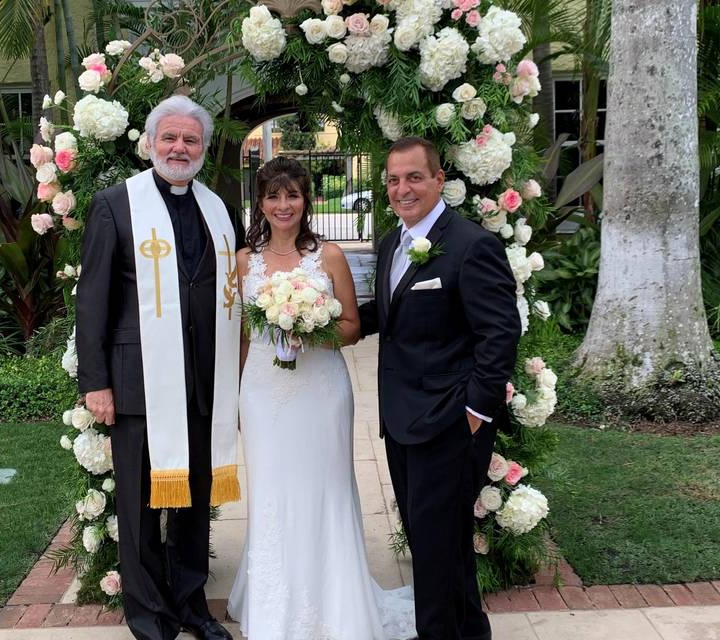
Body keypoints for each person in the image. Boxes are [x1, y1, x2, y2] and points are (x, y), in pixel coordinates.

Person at [76, 95, 245, 640]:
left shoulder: (219, 208)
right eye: (169, 138)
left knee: (194, 505)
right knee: (139, 509)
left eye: (190, 140)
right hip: (137, 383)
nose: (179, 148)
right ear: (149, 144)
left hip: (203, 382)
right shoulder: (114, 205)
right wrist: (95, 381)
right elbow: (92, 299)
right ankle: (150, 618)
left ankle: (192, 605)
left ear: (202, 148)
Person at [227, 157, 415, 639]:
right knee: (272, 492)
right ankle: (276, 606)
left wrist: (311, 328)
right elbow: (243, 336)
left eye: (292, 195)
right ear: (260, 202)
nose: (282, 205)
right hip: (264, 393)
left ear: (306, 200)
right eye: (273, 196)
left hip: (321, 390)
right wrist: (237, 392)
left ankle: (337, 602)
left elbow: (352, 327)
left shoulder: (327, 256)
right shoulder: (244, 261)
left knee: (325, 489)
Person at [358, 137, 522, 640]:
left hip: (450, 422)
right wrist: (320, 323)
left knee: (432, 550)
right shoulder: (391, 244)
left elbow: (500, 333)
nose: (402, 189)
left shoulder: (472, 245)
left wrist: (475, 410)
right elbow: (387, 315)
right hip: (402, 421)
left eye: (413, 177)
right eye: (392, 179)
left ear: (437, 180)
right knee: (442, 545)